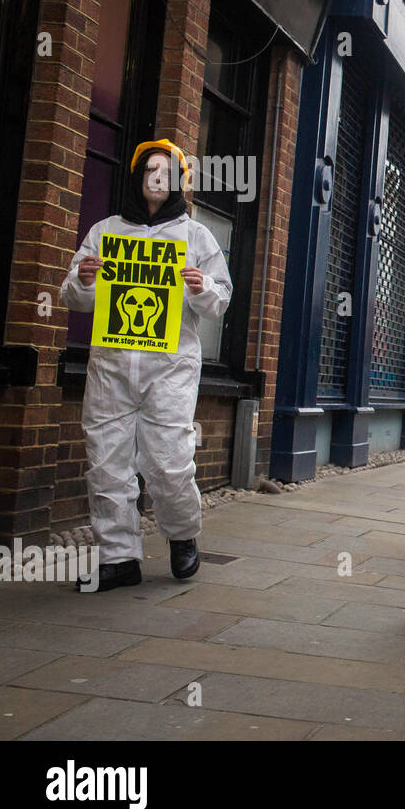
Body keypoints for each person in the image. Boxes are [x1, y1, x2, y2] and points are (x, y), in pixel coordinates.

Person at [62, 140, 232, 592]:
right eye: (149, 170)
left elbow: (221, 299)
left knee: (170, 460)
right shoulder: (106, 232)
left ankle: (181, 535)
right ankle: (118, 558)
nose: (157, 178)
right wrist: (84, 281)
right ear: (138, 177)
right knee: (107, 461)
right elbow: (71, 295)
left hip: (170, 367)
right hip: (112, 366)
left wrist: (201, 288)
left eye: (166, 171)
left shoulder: (196, 237)